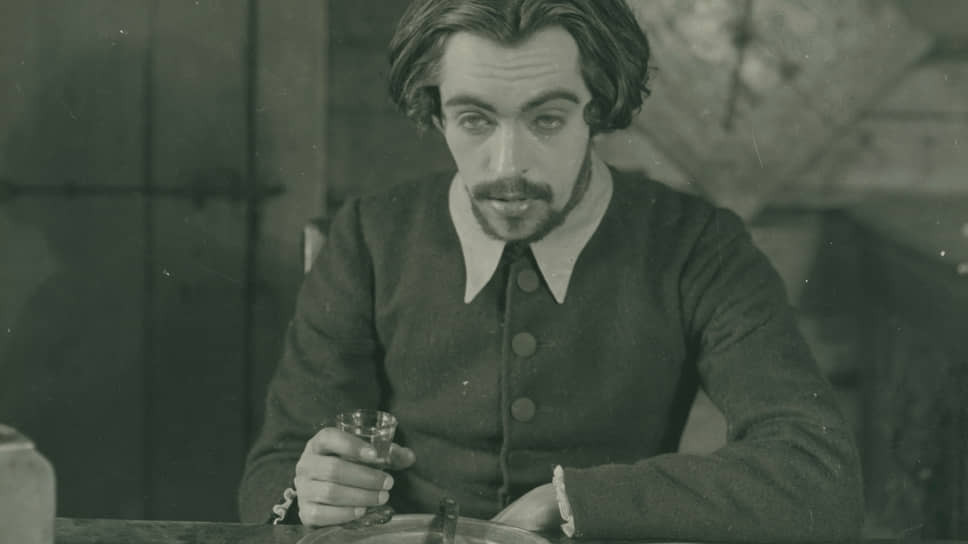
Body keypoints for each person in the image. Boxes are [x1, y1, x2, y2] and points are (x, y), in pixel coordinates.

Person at [239, 0, 864, 540]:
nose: (508, 166)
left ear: (600, 108)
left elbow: (818, 473)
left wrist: (569, 502)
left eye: (547, 119)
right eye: (475, 119)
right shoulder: (367, 237)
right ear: (435, 112)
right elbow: (276, 466)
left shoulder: (699, 245)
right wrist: (311, 488)